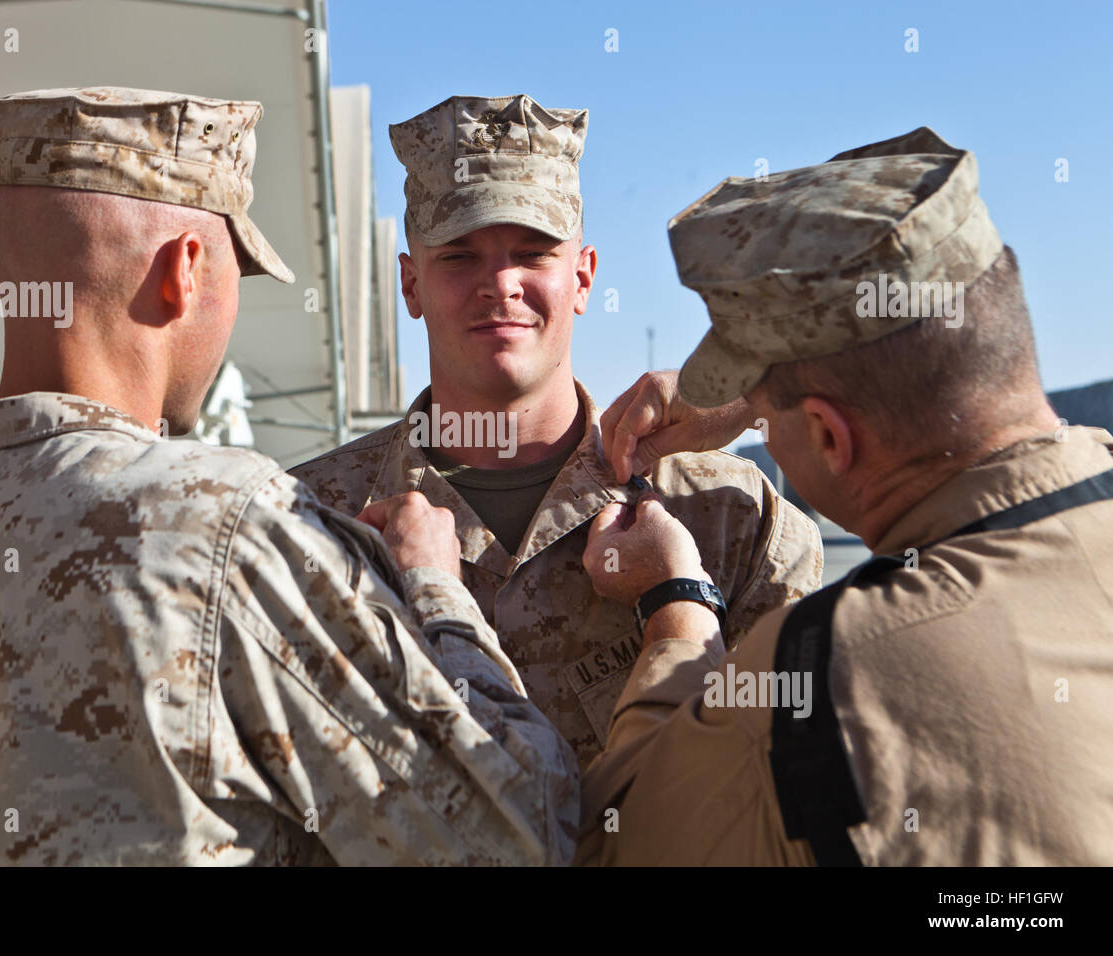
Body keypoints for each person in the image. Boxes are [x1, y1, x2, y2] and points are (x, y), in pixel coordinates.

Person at [0, 87, 577, 866]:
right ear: (183, 270)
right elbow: (515, 835)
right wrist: (438, 594)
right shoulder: (228, 523)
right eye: (235, 272)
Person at [575, 127, 1113, 865]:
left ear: (831, 438)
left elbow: (623, 841)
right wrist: (771, 398)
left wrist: (677, 606)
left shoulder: (823, 672)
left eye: (767, 408)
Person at [290, 94, 822, 769]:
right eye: (458, 256)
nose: (501, 283)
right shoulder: (311, 521)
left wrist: (754, 393)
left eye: (534, 253)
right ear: (411, 284)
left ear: (583, 277)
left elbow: (783, 790)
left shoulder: (730, 517)